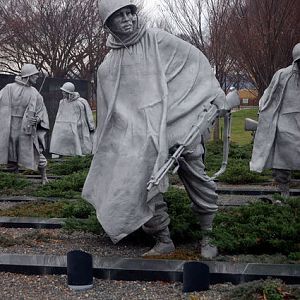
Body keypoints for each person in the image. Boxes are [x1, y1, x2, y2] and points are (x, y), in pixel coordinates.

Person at [82, 0, 226, 258]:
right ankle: (163, 239)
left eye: (129, 13)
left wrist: (214, 93)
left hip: (178, 124)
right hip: (141, 136)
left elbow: (195, 62)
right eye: (119, 16)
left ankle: (208, 236)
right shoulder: (108, 67)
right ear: (108, 24)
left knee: (197, 178)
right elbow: (112, 114)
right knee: (142, 184)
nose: (127, 19)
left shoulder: (158, 39)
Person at [250, 43, 300, 197]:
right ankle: (283, 191)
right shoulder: (283, 75)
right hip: (286, 123)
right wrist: (263, 110)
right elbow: (269, 95)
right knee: (282, 161)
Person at [0, 63, 49, 184]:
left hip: (26, 127)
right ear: (28, 76)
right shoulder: (9, 88)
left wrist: (37, 119)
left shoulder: (35, 93)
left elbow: (41, 111)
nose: (37, 77)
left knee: (36, 151)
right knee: (11, 154)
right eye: (35, 75)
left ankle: (44, 177)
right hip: (9, 126)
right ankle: (13, 180)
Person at [50, 82, 95, 157]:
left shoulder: (81, 102)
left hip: (78, 124)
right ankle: (58, 152)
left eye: (64, 92)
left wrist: (91, 125)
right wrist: (58, 124)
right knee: (59, 133)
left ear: (69, 93)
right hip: (64, 125)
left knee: (78, 136)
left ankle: (79, 153)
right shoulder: (62, 102)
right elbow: (59, 114)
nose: (62, 93)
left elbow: (89, 113)